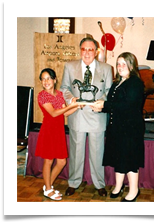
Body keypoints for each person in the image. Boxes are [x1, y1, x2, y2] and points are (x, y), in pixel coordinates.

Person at [60, 37, 113, 197]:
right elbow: (64, 87)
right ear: (80, 50)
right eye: (84, 49)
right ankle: (73, 182)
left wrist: (101, 102)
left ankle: (99, 184)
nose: (87, 52)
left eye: (90, 49)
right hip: (77, 115)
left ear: (96, 51)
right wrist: (72, 100)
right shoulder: (70, 66)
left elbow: (109, 91)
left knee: (97, 151)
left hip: (97, 116)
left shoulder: (106, 68)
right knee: (76, 151)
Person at [91, 52, 145, 202]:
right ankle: (118, 186)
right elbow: (114, 105)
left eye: (124, 64)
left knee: (129, 159)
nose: (120, 67)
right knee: (118, 157)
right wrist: (101, 108)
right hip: (117, 128)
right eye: (118, 64)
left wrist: (105, 105)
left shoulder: (135, 83)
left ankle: (134, 190)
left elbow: (128, 105)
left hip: (130, 129)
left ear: (131, 65)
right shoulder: (116, 83)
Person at [35, 68, 78, 201]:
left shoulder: (59, 94)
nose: (46, 81)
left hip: (58, 131)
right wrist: (71, 106)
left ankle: (47, 186)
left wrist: (77, 107)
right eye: (43, 79)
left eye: (48, 78)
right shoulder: (42, 95)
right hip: (48, 131)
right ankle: (48, 188)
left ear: (54, 80)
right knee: (48, 161)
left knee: (61, 161)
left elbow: (64, 114)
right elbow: (53, 113)